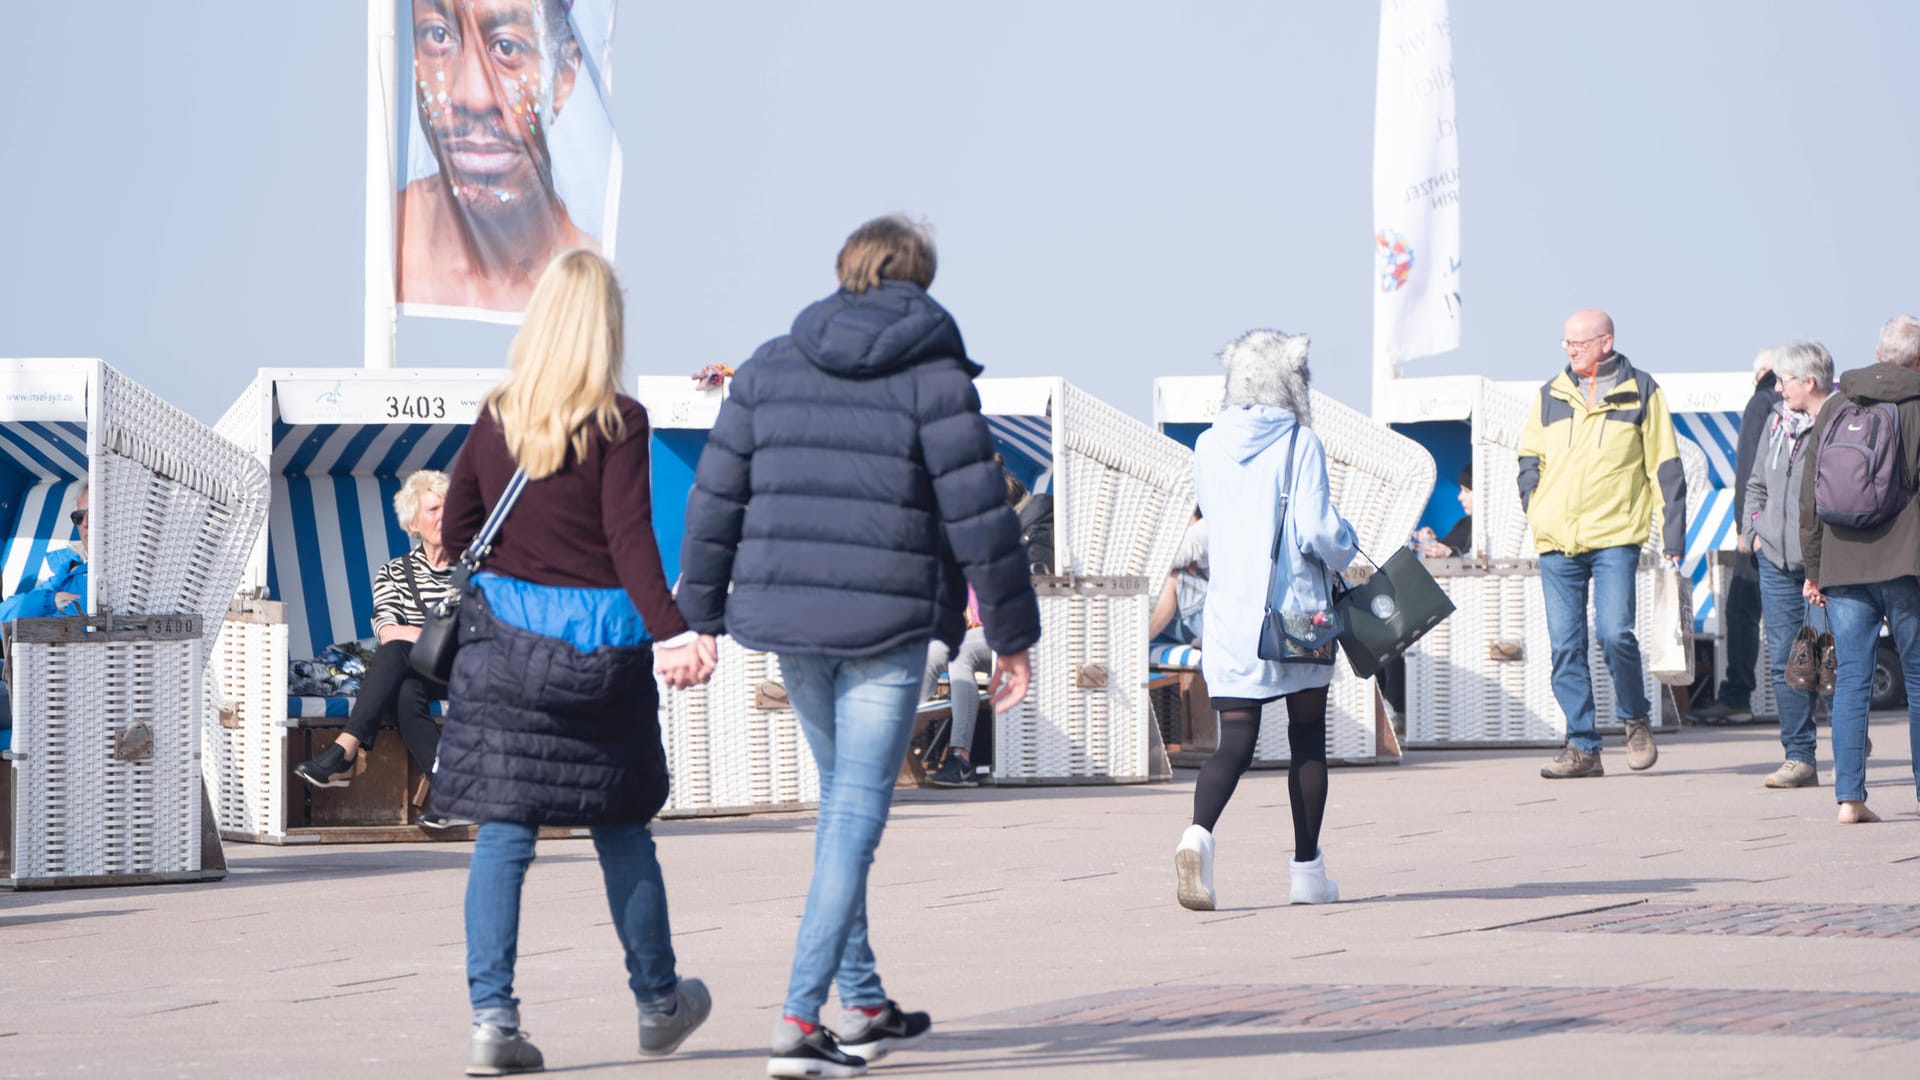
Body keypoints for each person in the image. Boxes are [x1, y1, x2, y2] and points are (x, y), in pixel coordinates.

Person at [677, 215, 1041, 1078]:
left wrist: (701, 613)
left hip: (788, 622)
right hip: (882, 624)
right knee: (852, 817)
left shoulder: (769, 363)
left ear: (847, 270)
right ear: (920, 278)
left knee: (844, 806)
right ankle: (800, 1023)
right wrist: (1014, 635)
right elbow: (980, 515)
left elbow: (715, 499)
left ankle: (865, 1003)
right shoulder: (933, 373)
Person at [431, 249, 716, 1074]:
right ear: (605, 330)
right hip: (606, 654)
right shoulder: (621, 420)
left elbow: (456, 530)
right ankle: (660, 1005)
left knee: (503, 838)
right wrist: (673, 631)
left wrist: (514, 564)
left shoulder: (497, 416)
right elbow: (631, 542)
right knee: (623, 832)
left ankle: (493, 1021)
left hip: (505, 653)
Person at [1173, 329, 1357, 913]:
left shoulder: (1206, 445)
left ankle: (1196, 836)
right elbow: (1317, 531)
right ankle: (1308, 875)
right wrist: (1349, 545)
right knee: (1306, 742)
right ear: (1292, 379)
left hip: (1230, 618)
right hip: (1298, 613)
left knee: (1235, 744)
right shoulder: (1301, 442)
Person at [1519, 309, 1686, 779]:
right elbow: (1528, 455)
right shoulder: (1550, 394)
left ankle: (1635, 720)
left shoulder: (1643, 391)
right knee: (1565, 646)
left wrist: (1673, 536)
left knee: (1614, 634)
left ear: (1606, 342)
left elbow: (1666, 468)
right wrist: (1535, 502)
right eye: (1566, 343)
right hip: (1558, 539)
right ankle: (1583, 746)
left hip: (1615, 536)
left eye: (1579, 343)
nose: (1570, 350)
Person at [397, 0, 594, 312]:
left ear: (564, 74)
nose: (473, 96)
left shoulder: (595, 284)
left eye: (507, 47)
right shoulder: (377, 251)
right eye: (438, 36)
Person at [1800, 315, 1920, 825]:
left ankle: (1850, 798)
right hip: (1907, 561)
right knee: (1916, 677)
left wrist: (1814, 567)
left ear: (1877, 351)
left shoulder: (1836, 404)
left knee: (1850, 679)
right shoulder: (1915, 405)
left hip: (1844, 562)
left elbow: (1810, 496)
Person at [292, 470, 463, 826]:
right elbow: (387, 631)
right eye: (434, 509)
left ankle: (346, 749)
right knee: (404, 690)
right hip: (420, 670)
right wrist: (434, 634)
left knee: (400, 653)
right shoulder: (395, 572)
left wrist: (419, 633)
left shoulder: (472, 569)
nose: (444, 516)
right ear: (413, 524)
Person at [1740, 342, 1828, 788]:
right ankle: (1799, 756)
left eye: (1784, 380)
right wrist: (1751, 530)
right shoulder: (1776, 420)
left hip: (1826, 559)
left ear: (1809, 382)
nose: (1777, 388)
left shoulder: (1837, 421)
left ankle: (1853, 737)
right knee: (1787, 660)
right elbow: (1757, 480)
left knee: (1833, 656)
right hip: (1775, 555)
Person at [1697, 352, 1781, 724]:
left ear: (1762, 373)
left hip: (1763, 527)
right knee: (1800, 613)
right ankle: (1812, 696)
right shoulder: (1812, 400)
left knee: (1741, 611)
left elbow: (1749, 467)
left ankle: (1737, 696)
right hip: (1802, 530)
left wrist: (1744, 526)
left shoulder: (1761, 402)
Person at [0, 484, 89, 736]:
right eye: (78, 517)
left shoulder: (103, 578)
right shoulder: (69, 568)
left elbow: (68, 629)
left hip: (50, 688)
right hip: (25, 669)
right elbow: (4, 615)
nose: (84, 523)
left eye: (93, 514)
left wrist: (45, 603)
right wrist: (52, 600)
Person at [920, 589, 992, 788]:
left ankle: (962, 759)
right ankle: (900, 743)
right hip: (978, 633)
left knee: (959, 652)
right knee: (930, 654)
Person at [1150, 508, 1208, 645]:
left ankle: (1135, 648)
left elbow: (1164, 561)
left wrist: (1179, 565)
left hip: (1213, 617)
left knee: (1171, 580)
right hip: (1202, 616)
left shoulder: (1202, 529)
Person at [1415, 465, 1475, 558]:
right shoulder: (1463, 524)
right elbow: (1448, 550)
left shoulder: (1487, 530)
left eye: (1466, 491)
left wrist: (1448, 553)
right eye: (1461, 490)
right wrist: (1433, 543)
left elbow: (1474, 564)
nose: (1460, 497)